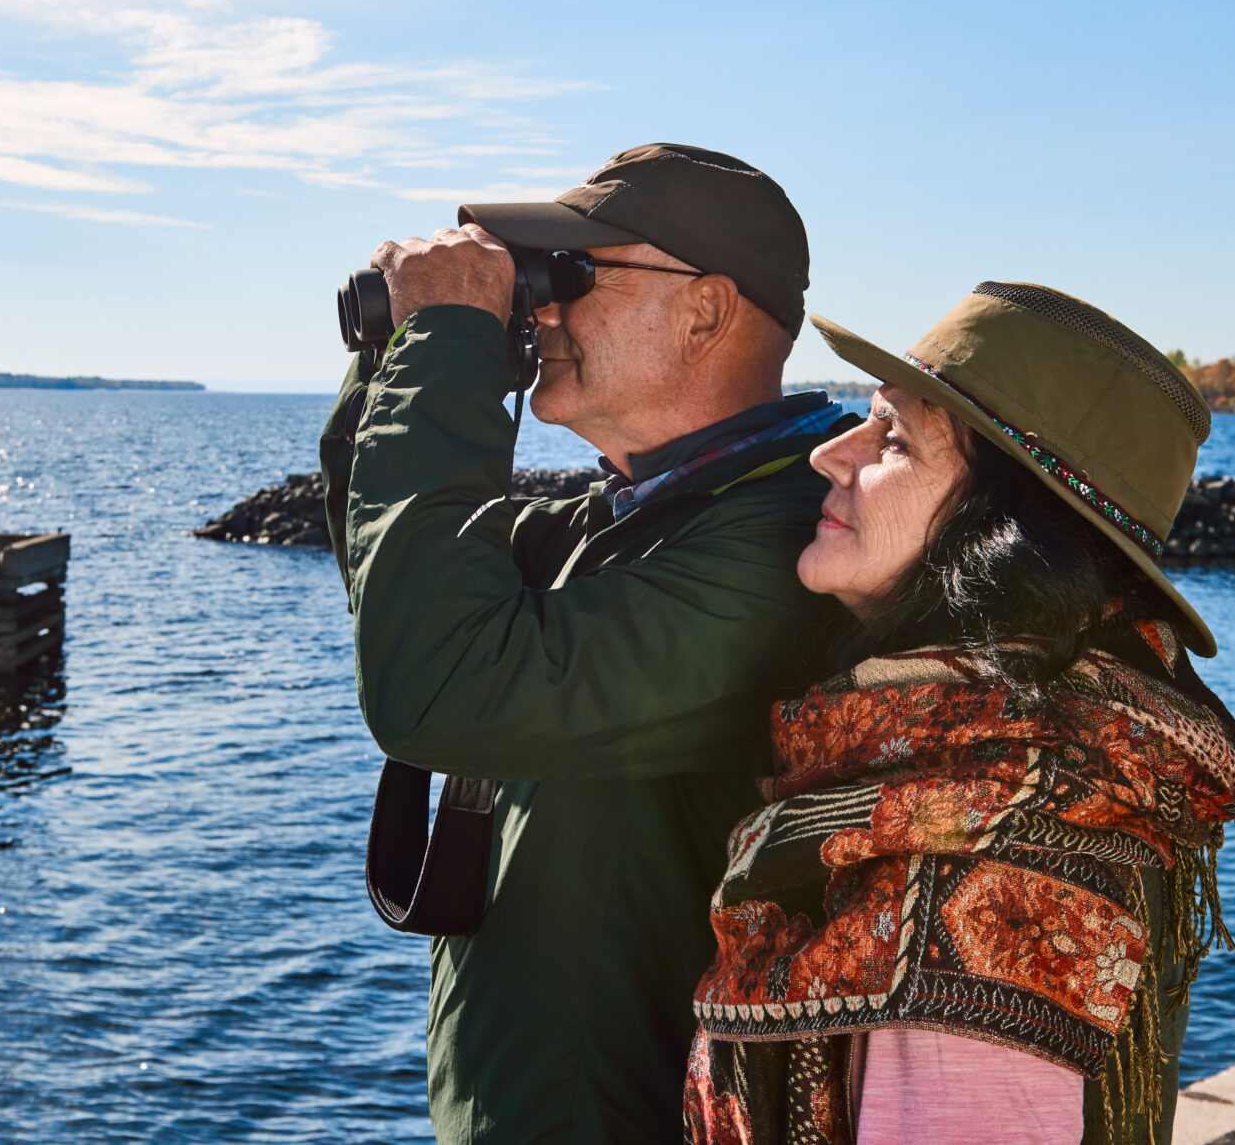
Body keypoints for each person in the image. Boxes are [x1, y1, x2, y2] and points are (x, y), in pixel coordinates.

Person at [321, 144, 859, 1143]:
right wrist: (405, 353)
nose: (543, 309)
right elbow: (401, 590)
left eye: (574, 275)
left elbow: (437, 687)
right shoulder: (644, 515)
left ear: (705, 309)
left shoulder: (780, 549)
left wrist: (452, 341)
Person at [684, 283, 1235, 1145]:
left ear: (999, 535)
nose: (830, 455)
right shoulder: (1020, 763)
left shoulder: (1001, 872)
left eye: (894, 437)